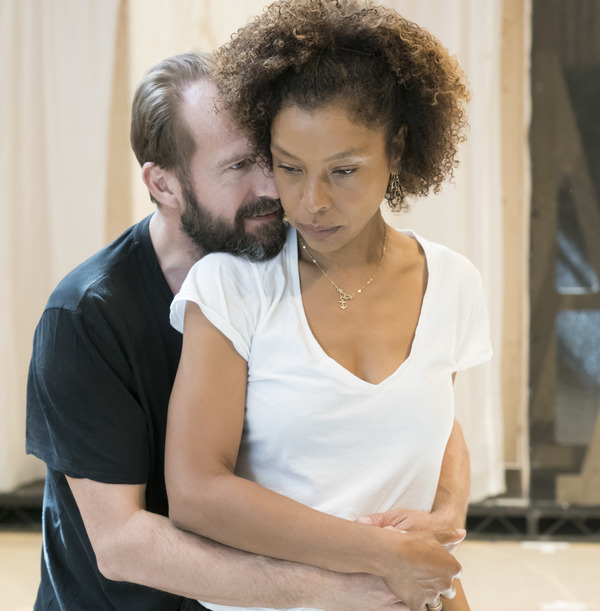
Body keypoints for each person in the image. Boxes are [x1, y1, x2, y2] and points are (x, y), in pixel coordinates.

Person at [25, 50, 469, 611]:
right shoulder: (86, 318)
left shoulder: (298, 258)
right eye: (238, 167)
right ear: (163, 185)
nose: (273, 189)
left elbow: (417, 398)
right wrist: (354, 585)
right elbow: (123, 545)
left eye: (273, 160)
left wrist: (446, 516)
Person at [166, 2, 492, 611]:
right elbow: (196, 492)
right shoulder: (231, 289)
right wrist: (380, 554)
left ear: (396, 150)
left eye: (343, 170)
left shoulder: (453, 283)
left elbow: (435, 419)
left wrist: (447, 514)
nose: (311, 201)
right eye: (290, 168)